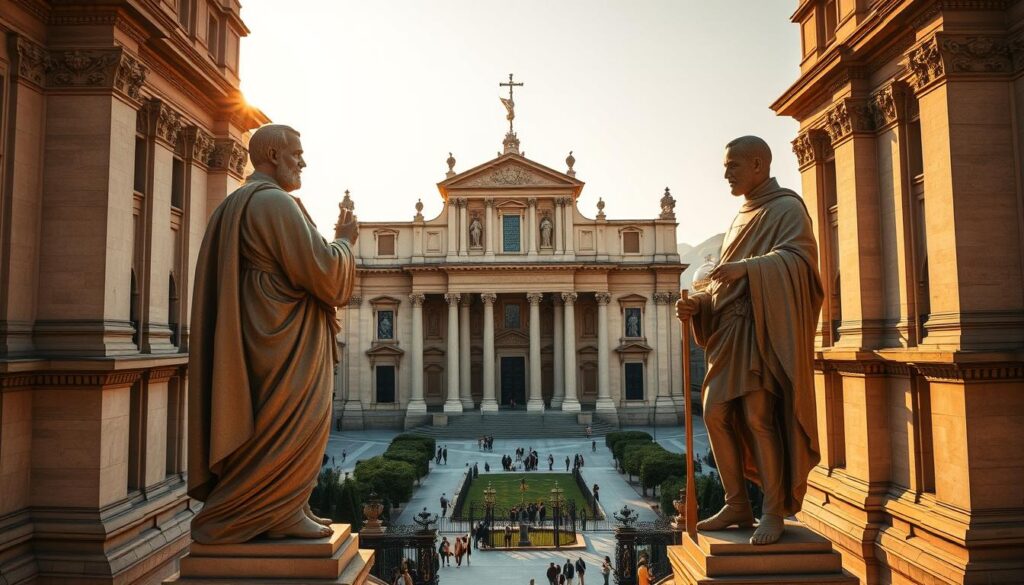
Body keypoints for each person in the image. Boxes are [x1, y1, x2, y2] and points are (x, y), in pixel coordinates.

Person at [188, 124, 358, 543]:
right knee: (288, 422)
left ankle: (285, 504)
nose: (303, 161)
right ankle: (272, 508)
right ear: (271, 154)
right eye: (296, 154)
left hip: (266, 330)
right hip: (282, 341)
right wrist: (345, 242)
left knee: (274, 424)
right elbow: (327, 275)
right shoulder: (273, 203)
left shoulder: (239, 203)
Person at [675, 136, 822, 546]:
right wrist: (698, 306)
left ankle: (772, 509)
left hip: (761, 332)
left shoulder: (787, 209)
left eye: (732, 166)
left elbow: (800, 263)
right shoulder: (742, 215)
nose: (725, 174)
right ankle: (737, 502)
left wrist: (750, 270)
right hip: (729, 333)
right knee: (716, 411)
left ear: (758, 164)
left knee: (759, 418)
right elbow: (721, 285)